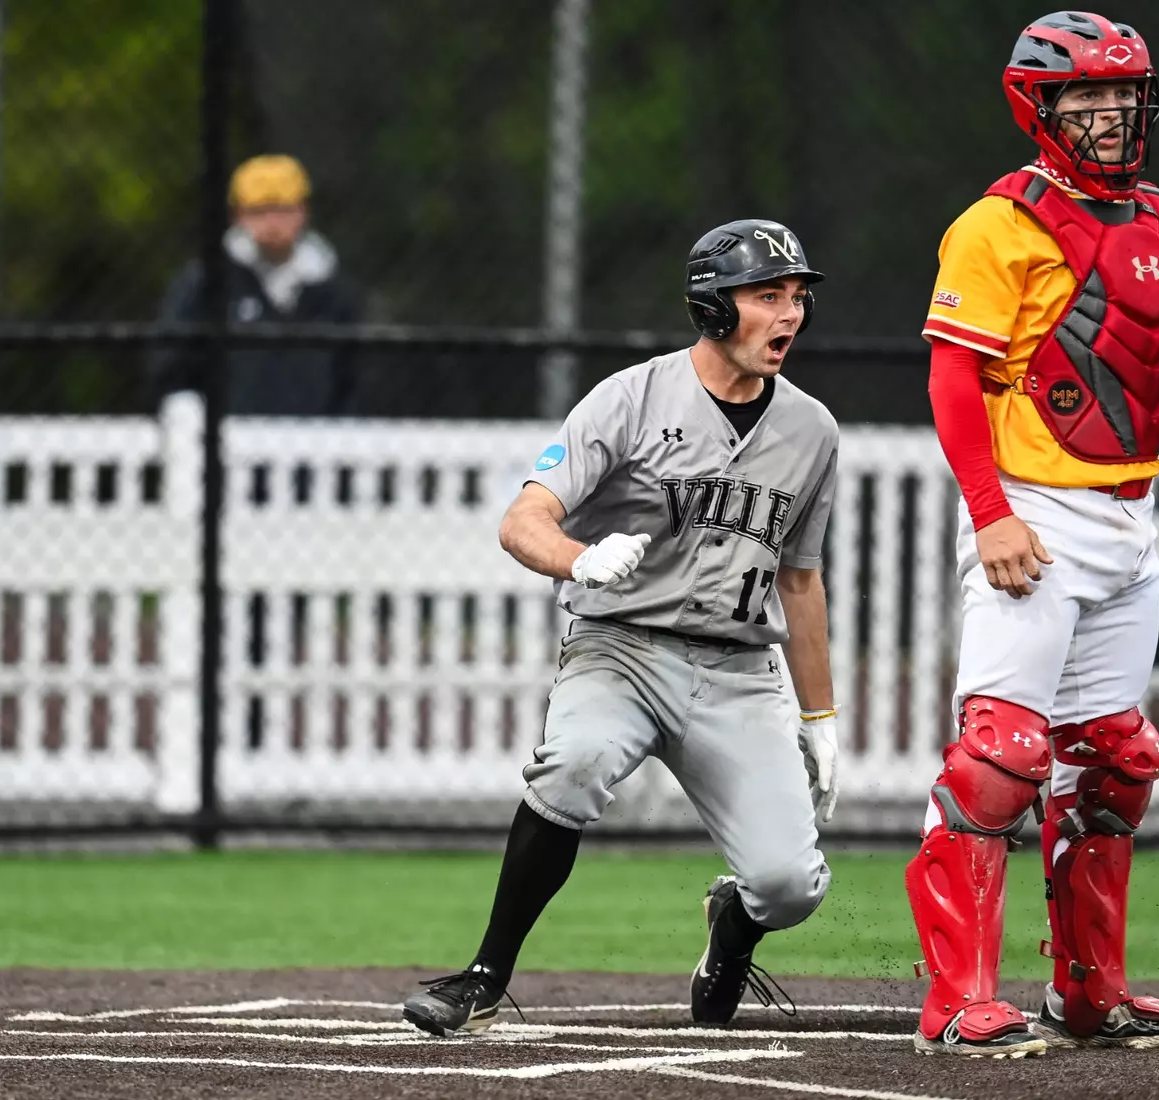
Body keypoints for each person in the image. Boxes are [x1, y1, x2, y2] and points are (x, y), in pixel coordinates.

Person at [400, 219, 842, 1036]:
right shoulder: (631, 398)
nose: (788, 316)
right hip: (622, 649)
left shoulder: (811, 429)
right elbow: (522, 518)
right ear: (713, 309)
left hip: (737, 672)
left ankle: (731, 930)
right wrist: (576, 561)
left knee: (789, 885)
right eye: (765, 297)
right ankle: (484, 976)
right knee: (571, 767)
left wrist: (819, 716)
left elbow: (800, 578)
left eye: (796, 299)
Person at [905, 11, 1159, 1057]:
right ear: (1038, 107)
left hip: (1129, 516)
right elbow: (951, 380)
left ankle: (1088, 993)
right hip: (1031, 512)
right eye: (1085, 97)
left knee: (1112, 760)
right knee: (999, 757)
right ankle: (954, 1000)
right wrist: (989, 513)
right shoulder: (996, 225)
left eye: (1123, 95)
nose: (1111, 113)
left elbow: (1130, 362)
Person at [148, 154, 363, 416]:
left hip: (315, 444)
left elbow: (354, 375)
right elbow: (171, 366)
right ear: (237, 214)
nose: (272, 223)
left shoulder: (332, 290)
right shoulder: (205, 283)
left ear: (303, 211)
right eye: (259, 211)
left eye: (283, 209)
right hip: (227, 440)